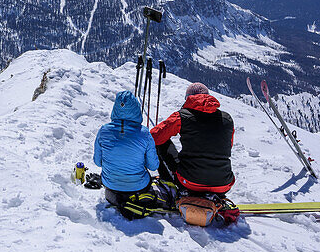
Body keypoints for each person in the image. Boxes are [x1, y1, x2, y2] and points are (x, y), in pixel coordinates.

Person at [151, 82, 235, 194]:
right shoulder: (227, 118)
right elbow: (228, 145)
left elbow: (153, 136)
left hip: (189, 182)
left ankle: (169, 181)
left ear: (187, 99)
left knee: (160, 142)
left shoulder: (182, 116)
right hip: (223, 184)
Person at [93, 90, 161, 218]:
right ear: (136, 109)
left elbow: (97, 161)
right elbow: (153, 166)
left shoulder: (104, 131)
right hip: (139, 187)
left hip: (110, 185)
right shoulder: (144, 133)